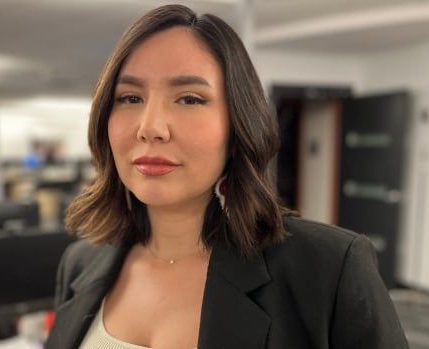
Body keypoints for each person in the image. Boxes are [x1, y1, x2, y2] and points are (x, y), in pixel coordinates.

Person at [46, 4, 408, 349]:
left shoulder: (329, 269)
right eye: (129, 98)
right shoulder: (80, 263)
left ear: (238, 127)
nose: (150, 127)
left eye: (189, 99)